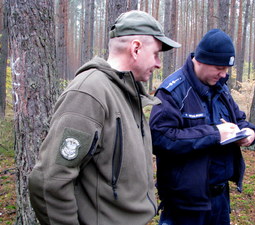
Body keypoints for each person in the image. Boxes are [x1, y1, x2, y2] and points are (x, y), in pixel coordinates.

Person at [28, 10, 180, 225]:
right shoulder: (89, 94)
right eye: (156, 53)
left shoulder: (128, 91)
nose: (158, 63)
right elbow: (49, 180)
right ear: (136, 48)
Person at [149, 28, 255, 225]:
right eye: (219, 68)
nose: (224, 74)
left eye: (226, 69)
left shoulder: (221, 89)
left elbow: (240, 119)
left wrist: (250, 133)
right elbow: (160, 137)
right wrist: (215, 133)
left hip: (220, 198)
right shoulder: (173, 91)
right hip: (184, 203)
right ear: (200, 60)